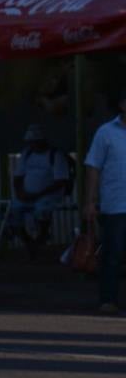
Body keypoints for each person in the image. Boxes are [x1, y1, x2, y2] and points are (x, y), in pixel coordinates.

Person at [81, 91, 126, 315]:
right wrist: (90, 201)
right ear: (122, 105)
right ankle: (108, 299)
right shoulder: (106, 133)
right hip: (115, 204)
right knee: (113, 254)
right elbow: (93, 167)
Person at [8, 123, 72, 258]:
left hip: (49, 195)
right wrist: (20, 193)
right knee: (13, 211)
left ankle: (42, 235)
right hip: (27, 195)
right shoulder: (27, 154)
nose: (32, 145)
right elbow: (18, 177)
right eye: (30, 142)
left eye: (35, 142)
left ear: (42, 141)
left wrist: (38, 194)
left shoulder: (55, 155)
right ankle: (28, 241)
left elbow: (61, 182)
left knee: (41, 209)